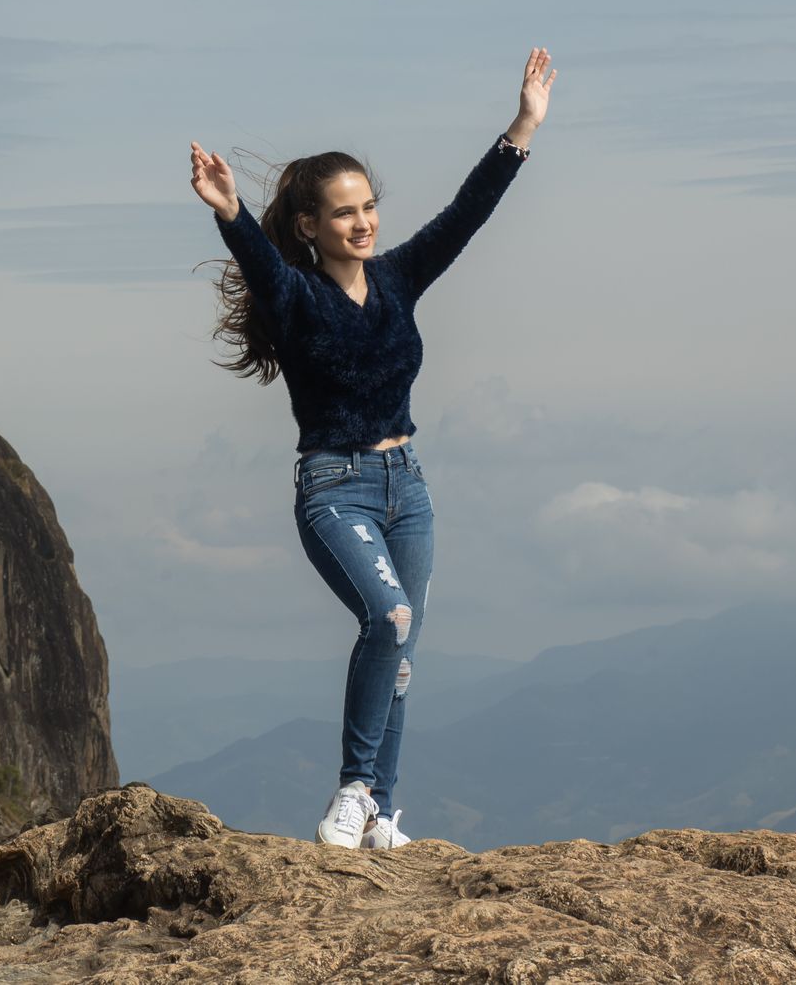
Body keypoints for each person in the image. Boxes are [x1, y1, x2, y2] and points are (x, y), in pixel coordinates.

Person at [189, 47, 555, 849]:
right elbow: (259, 261)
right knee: (387, 619)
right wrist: (229, 212)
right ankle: (353, 789)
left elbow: (466, 215)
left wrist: (522, 126)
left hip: (407, 487)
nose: (364, 223)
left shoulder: (396, 279)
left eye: (370, 207)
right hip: (335, 488)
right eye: (345, 213)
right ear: (310, 226)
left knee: (402, 655)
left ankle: (383, 813)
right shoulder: (295, 298)